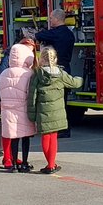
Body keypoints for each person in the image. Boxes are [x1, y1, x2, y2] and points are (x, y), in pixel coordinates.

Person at [28, 46, 83, 174]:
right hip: (57, 112)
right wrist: (81, 78)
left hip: (43, 112)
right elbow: (74, 83)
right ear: (55, 59)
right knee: (53, 137)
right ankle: (51, 164)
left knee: (45, 137)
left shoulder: (37, 74)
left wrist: (31, 115)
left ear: (41, 59)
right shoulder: (60, 73)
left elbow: (32, 96)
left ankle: (50, 164)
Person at [34, 10, 76, 138]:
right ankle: (65, 128)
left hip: (55, 70)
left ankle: (59, 130)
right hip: (66, 69)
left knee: (53, 102)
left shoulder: (55, 34)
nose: (49, 20)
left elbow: (39, 35)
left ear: (57, 19)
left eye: (51, 18)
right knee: (63, 101)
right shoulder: (69, 34)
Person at [0, 43, 37, 172]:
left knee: (13, 137)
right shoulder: (29, 73)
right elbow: (30, 92)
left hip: (7, 109)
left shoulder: (4, 73)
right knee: (25, 138)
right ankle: (24, 163)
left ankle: (14, 163)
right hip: (23, 109)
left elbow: (1, 91)